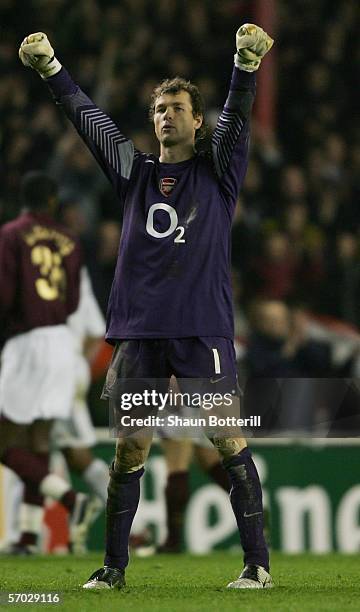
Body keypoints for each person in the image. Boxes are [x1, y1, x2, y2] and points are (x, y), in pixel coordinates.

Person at [19, 23, 274, 589]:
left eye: (177, 107)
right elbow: (92, 124)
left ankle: (256, 565)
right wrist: (51, 70)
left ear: (195, 119)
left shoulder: (217, 173)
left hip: (202, 328)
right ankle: (113, 568)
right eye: (159, 108)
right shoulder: (134, 171)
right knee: (130, 451)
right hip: (141, 332)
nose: (165, 116)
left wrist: (245, 67)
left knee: (226, 437)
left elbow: (235, 120)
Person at [0, 171, 96, 554]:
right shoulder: (70, 241)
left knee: (6, 442)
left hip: (27, 342)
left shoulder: (11, 235)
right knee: (39, 442)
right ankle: (26, 536)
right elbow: (72, 303)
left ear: (23, 200)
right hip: (62, 344)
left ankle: (73, 501)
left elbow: (5, 295)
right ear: (53, 201)